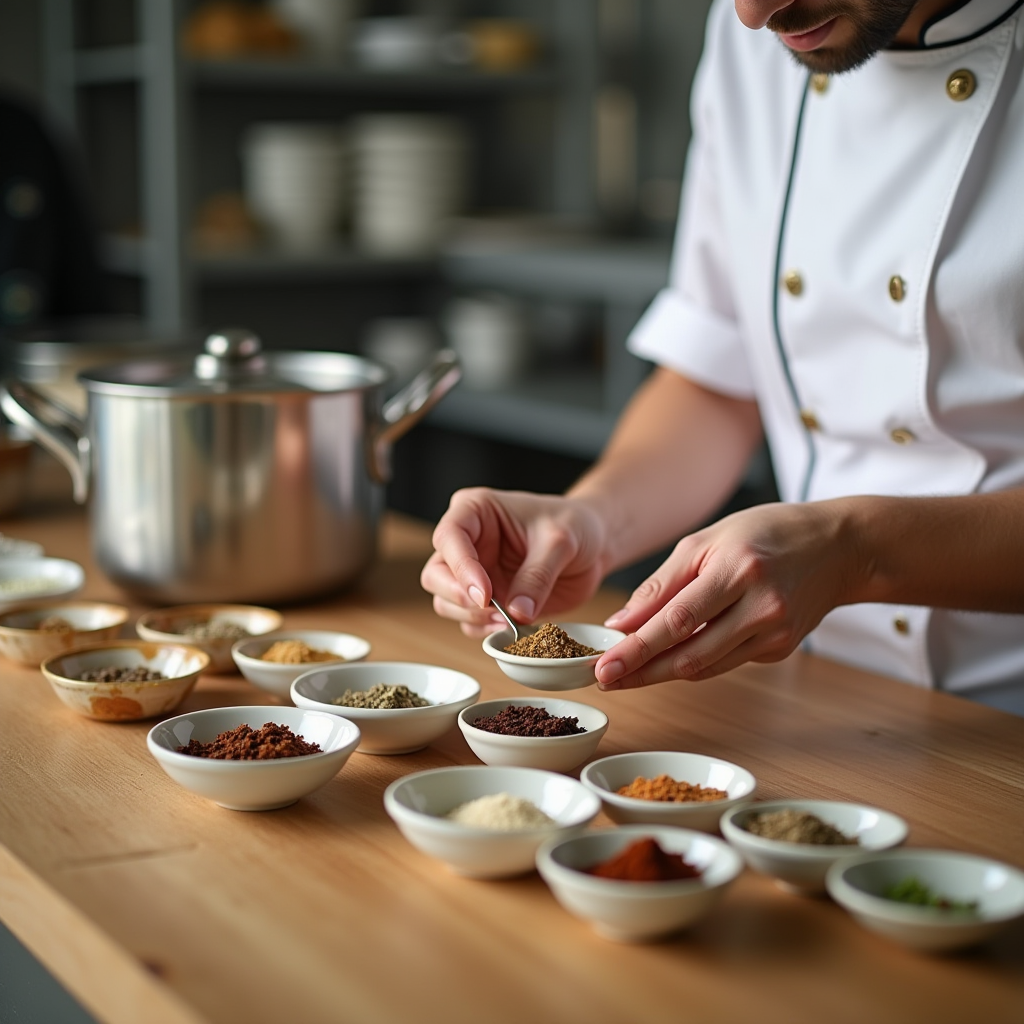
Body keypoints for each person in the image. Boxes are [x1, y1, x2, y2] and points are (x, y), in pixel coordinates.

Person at [421, 0, 1024, 716]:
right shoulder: (758, 42)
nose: (751, 12)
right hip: (826, 692)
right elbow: (717, 373)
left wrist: (854, 548)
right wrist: (590, 520)